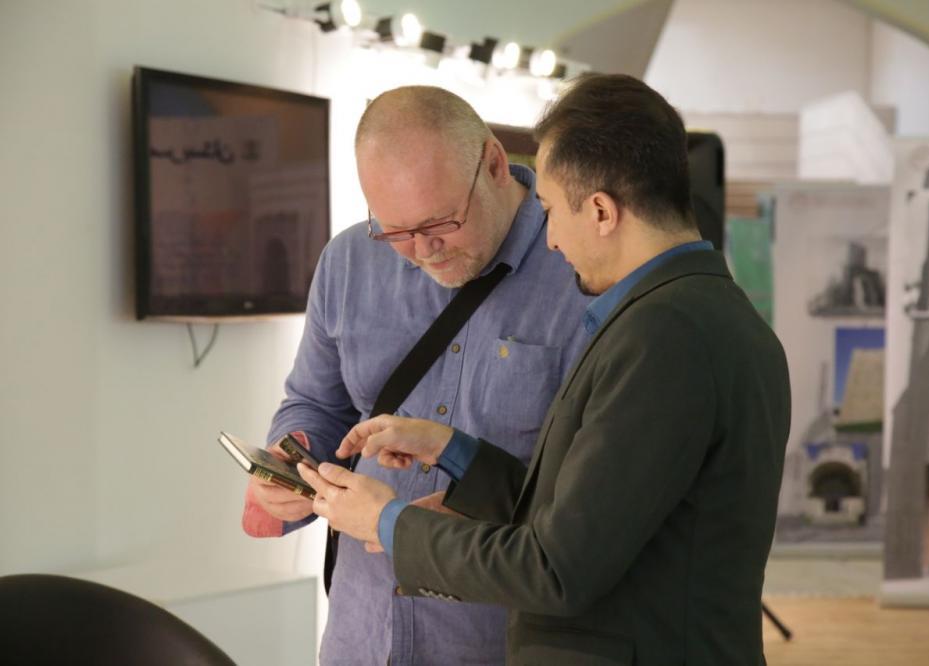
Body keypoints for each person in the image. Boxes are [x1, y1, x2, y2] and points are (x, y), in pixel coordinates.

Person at [299, 73, 792, 665]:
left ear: (602, 211)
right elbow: (585, 515)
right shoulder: (687, 316)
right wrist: (452, 449)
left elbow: (556, 568)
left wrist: (386, 521)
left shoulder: (667, 335)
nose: (550, 241)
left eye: (551, 211)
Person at [243, 86, 592, 665]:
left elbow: (591, 492)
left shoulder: (580, 269)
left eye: (441, 223)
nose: (422, 251)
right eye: (395, 231)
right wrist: (292, 456)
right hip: (360, 634)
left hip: (497, 642)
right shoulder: (348, 261)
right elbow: (315, 402)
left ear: (494, 164)